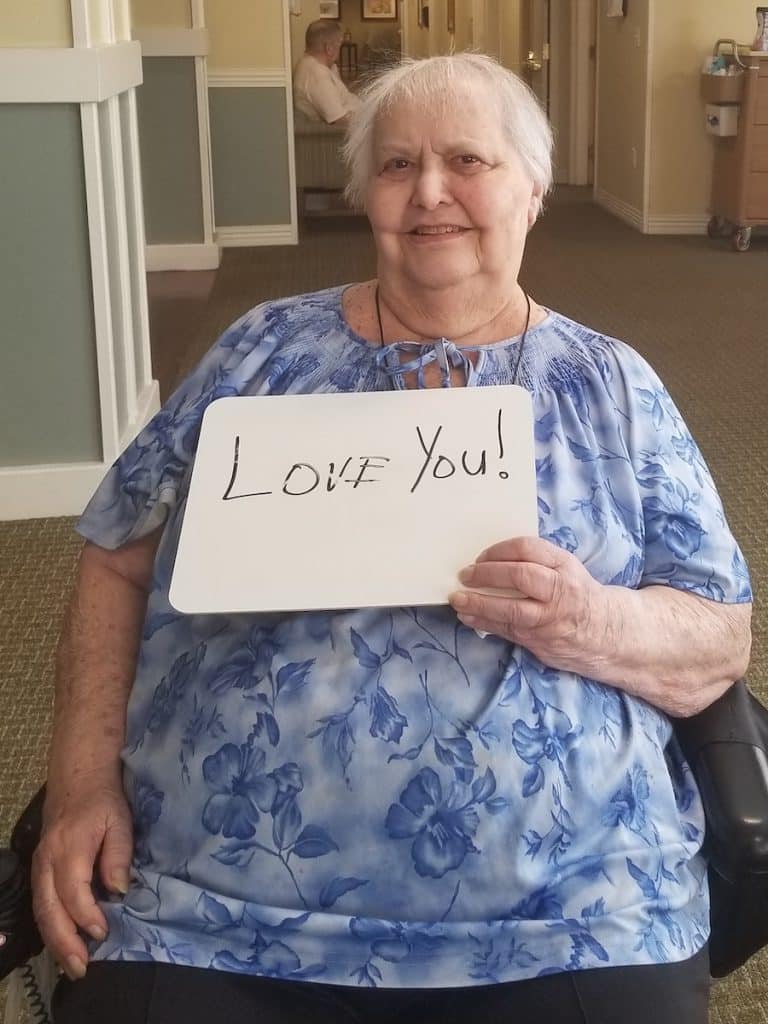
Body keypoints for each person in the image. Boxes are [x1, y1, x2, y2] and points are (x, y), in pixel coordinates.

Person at [34, 54, 752, 1024]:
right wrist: (81, 785)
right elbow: (116, 551)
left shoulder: (612, 387)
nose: (430, 193)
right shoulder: (262, 353)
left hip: (568, 911)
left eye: (469, 160)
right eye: (397, 164)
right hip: (218, 909)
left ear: (533, 190)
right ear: (364, 193)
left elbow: (720, 635)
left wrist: (593, 620)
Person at [293, 19, 361, 125]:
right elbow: (340, 119)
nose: (339, 51)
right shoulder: (317, 74)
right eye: (339, 45)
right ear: (329, 49)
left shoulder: (311, 64)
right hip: (347, 132)